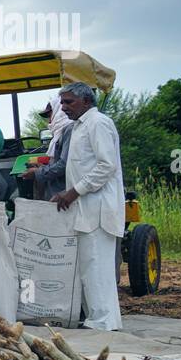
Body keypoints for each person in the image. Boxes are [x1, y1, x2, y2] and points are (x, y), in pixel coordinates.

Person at [48, 82, 124, 331]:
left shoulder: (98, 123)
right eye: (62, 102)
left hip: (98, 208)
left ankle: (103, 321)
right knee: (88, 267)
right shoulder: (79, 126)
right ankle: (97, 318)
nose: (64, 107)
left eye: (69, 102)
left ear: (86, 101)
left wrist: (73, 192)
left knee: (97, 267)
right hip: (85, 209)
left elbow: (106, 166)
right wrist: (66, 193)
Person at [22, 121, 74, 199]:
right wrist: (42, 167)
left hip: (63, 190)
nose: (49, 120)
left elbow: (63, 165)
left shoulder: (69, 130)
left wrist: (38, 172)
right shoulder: (60, 133)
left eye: (50, 114)